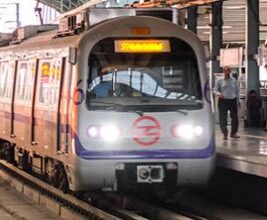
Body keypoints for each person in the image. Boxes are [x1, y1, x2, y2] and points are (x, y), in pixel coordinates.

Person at [213, 66, 240, 140]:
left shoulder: (234, 80)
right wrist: (219, 94)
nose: (227, 72)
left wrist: (238, 100)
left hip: (232, 100)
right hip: (223, 101)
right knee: (223, 117)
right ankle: (225, 133)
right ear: (223, 72)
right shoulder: (219, 80)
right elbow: (214, 90)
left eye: (228, 71)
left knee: (234, 117)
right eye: (225, 71)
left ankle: (233, 133)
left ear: (230, 72)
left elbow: (237, 91)